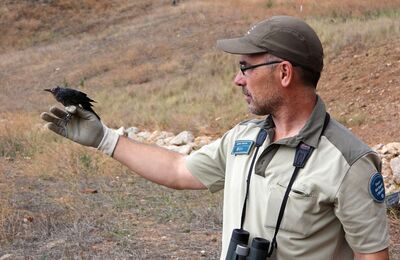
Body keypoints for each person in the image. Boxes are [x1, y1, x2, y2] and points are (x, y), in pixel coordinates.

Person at [41, 16, 389, 259]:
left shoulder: (349, 163)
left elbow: (371, 254)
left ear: (284, 72)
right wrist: (105, 139)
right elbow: (179, 170)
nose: (238, 80)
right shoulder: (244, 138)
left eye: (245, 68)